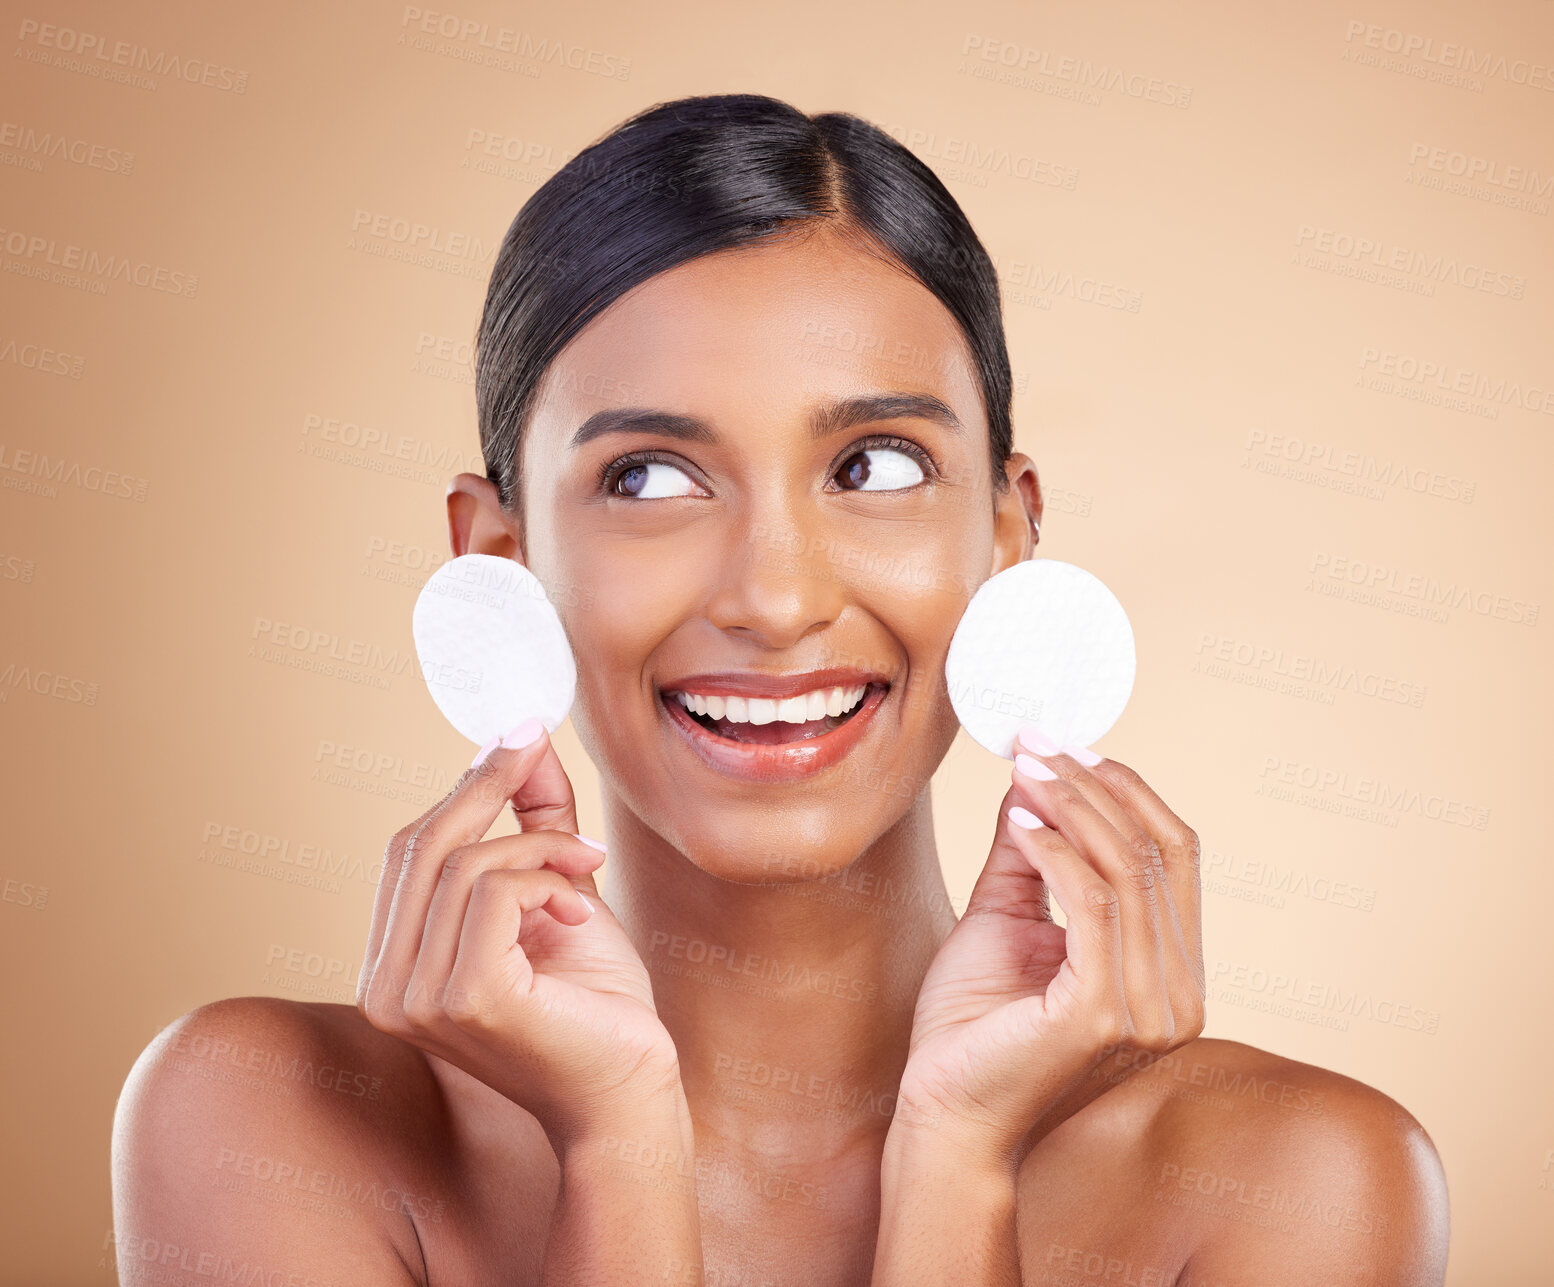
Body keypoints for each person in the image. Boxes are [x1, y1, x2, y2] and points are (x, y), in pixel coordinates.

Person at [111, 92, 1448, 1286]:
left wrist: (959, 1154)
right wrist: (617, 1144)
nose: (775, 597)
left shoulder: (1303, 1185)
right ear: (497, 556)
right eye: (649, 476)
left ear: (1007, 530)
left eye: (872, 465)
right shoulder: (269, 1120)